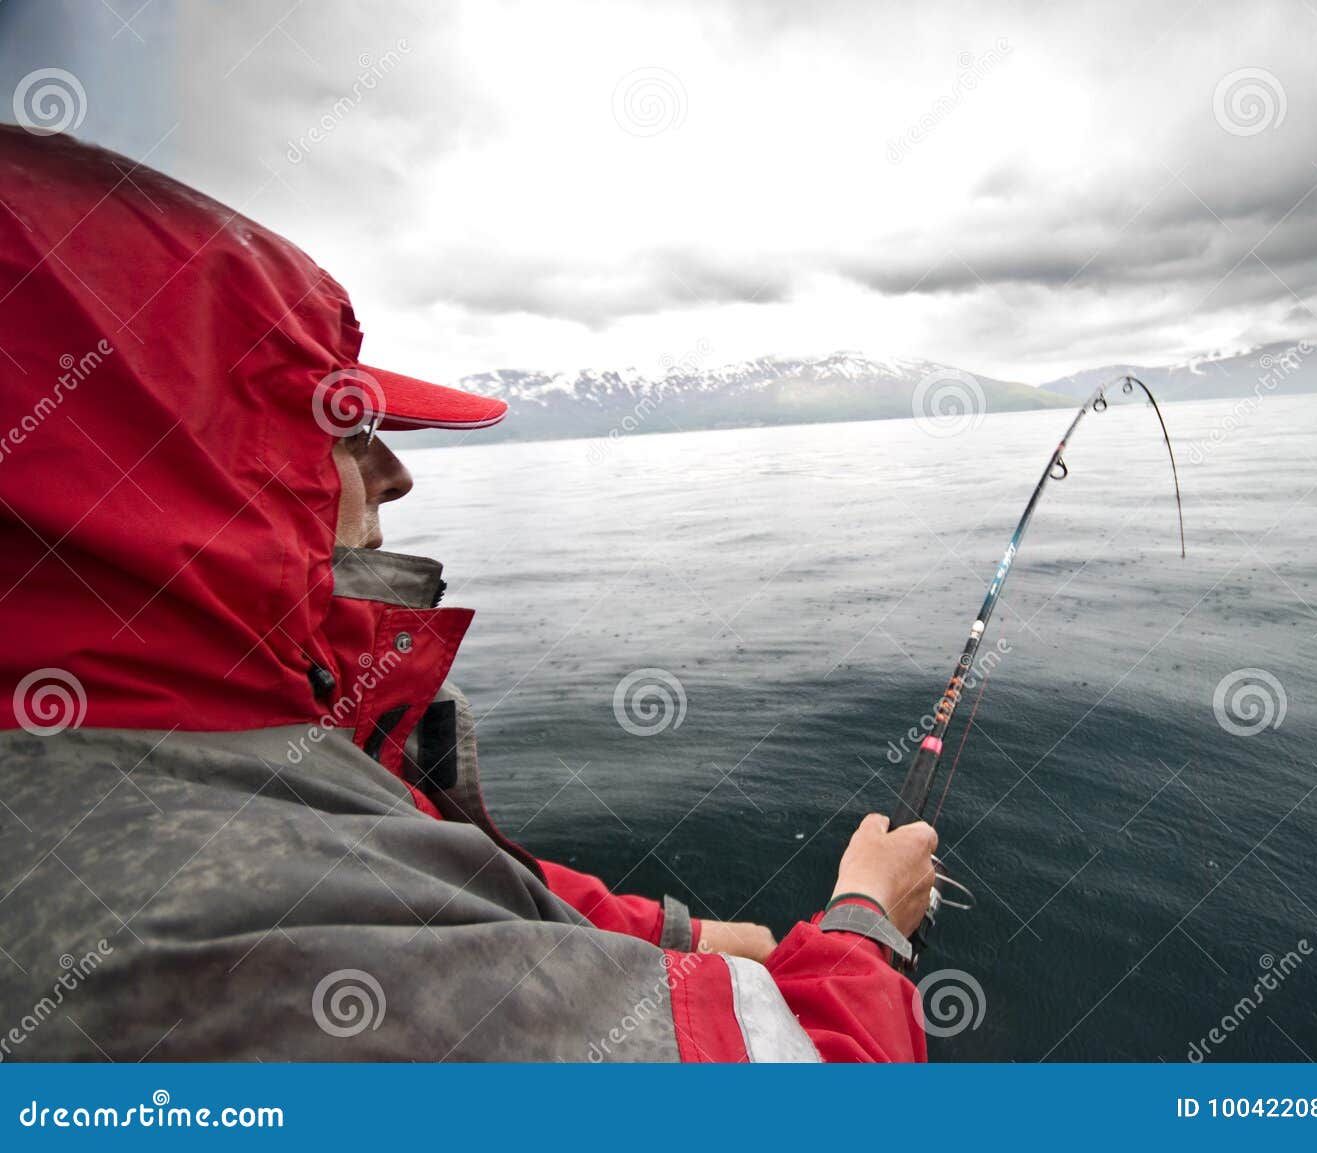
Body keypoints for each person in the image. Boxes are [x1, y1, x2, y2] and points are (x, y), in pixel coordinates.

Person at [0, 126, 938, 1062]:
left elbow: (430, 876)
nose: (398, 473)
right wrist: (866, 926)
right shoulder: (236, 926)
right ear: (178, 473)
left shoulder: (164, 762)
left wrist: (684, 939)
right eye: (345, 428)